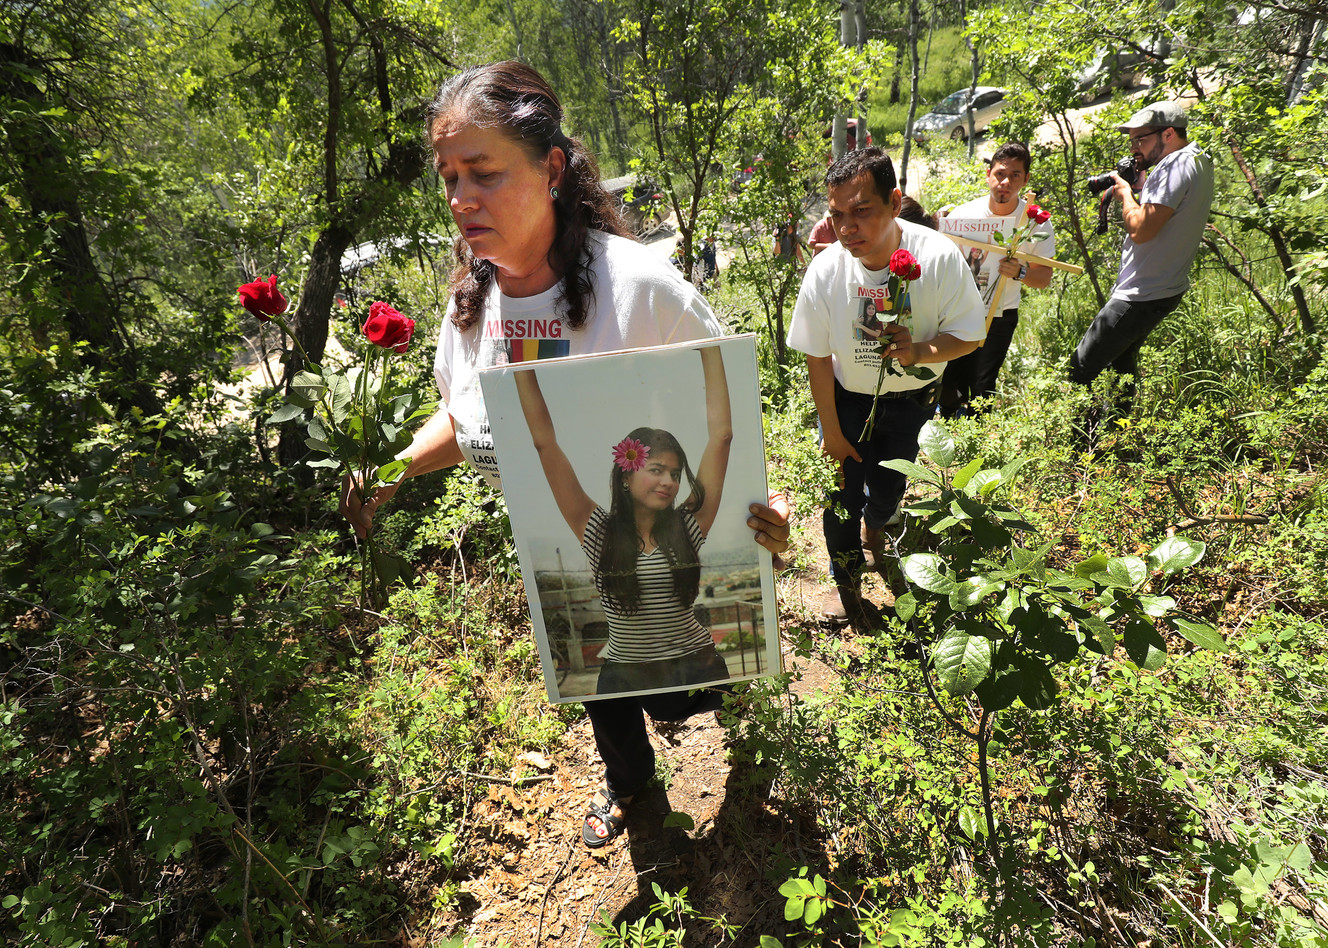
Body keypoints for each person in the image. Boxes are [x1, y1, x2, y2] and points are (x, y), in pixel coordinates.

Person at [337, 61, 790, 849]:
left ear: (550, 169)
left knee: (693, 686)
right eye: (448, 177)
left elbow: (724, 433)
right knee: (604, 692)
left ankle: (751, 740)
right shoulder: (468, 307)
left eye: (483, 172)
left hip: (673, 567)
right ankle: (630, 787)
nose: (460, 198)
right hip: (575, 571)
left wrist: (766, 510)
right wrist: (396, 469)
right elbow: (469, 420)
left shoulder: (645, 294)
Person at [786, 148, 985, 626]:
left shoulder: (936, 257)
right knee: (839, 503)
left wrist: (919, 352)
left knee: (890, 487)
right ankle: (850, 590)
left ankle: (878, 531)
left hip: (911, 404)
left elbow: (970, 335)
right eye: (836, 216)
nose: (846, 228)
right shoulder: (827, 269)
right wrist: (831, 432)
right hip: (847, 402)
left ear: (895, 202)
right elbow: (816, 354)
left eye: (861, 211)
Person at [515, 348, 732, 721]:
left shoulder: (688, 526)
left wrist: (711, 349)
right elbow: (544, 444)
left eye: (676, 474)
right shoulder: (598, 531)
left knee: (741, 713)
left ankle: (744, 750)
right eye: (657, 469)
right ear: (627, 476)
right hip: (626, 669)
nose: (669, 481)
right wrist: (521, 368)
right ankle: (630, 780)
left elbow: (722, 437)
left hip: (696, 662)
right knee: (608, 712)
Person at [1069, 102, 1214, 398]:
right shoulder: (1198, 158)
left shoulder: (1174, 166)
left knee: (1080, 368)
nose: (1134, 148)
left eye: (1141, 140)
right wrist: (1142, 187)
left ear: (1168, 134)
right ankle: (1116, 433)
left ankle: (1077, 438)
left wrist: (1124, 193)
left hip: (1141, 293)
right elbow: (1168, 210)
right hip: (1165, 286)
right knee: (1121, 366)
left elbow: (1141, 229)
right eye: (1132, 140)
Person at [939, 142, 1055, 418]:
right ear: (989, 174)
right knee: (950, 377)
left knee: (982, 383)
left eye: (1015, 175)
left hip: (1001, 314)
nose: (1005, 182)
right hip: (958, 310)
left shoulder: (1034, 222)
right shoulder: (963, 215)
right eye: (1001, 173)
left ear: (1026, 179)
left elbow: (1044, 277)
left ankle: (979, 441)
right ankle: (948, 432)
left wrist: (1020, 272)